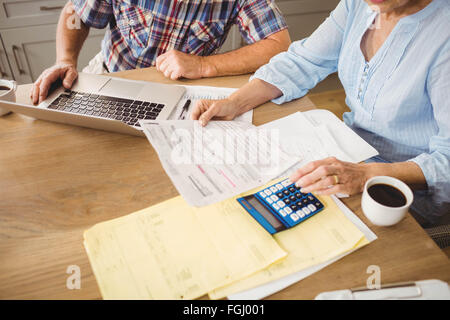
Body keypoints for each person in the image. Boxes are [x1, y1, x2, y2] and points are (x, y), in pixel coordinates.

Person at [192, 0, 450, 227]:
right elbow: (304, 61)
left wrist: (364, 176)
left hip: (397, 191)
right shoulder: (358, 5)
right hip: (345, 156)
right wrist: (235, 102)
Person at [31, 0, 291, 105]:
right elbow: (75, 12)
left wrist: (203, 65)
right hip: (110, 78)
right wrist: (65, 60)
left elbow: (278, 42)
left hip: (185, 93)